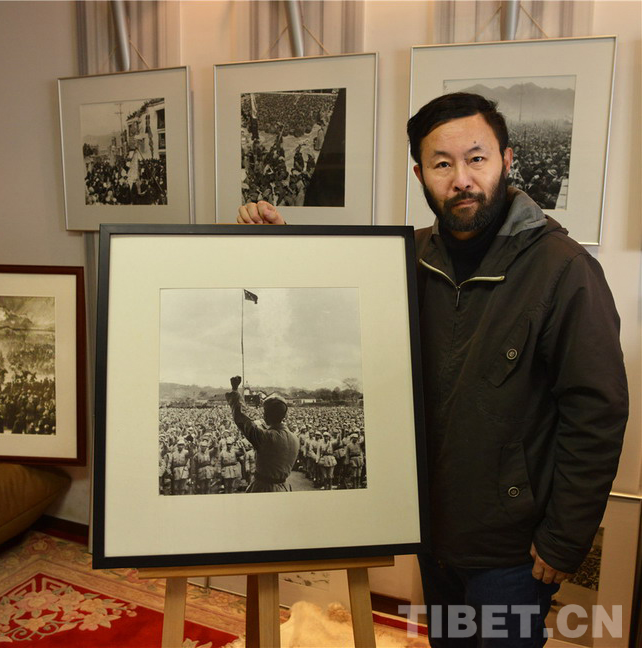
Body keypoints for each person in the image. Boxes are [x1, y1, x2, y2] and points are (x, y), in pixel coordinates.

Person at [236, 92, 628, 647]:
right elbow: (336, 299)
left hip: (512, 550)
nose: (461, 179)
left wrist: (565, 539)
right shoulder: (408, 257)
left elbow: (597, 414)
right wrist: (279, 242)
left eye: (477, 158)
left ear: (506, 160)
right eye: (443, 164)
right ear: (421, 175)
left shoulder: (564, 271)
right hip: (432, 533)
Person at [225, 375, 300, 492]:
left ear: (266, 415)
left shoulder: (266, 437)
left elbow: (241, 418)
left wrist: (235, 390)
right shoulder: (294, 438)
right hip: (284, 488)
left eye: (265, 413)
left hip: (264, 488)